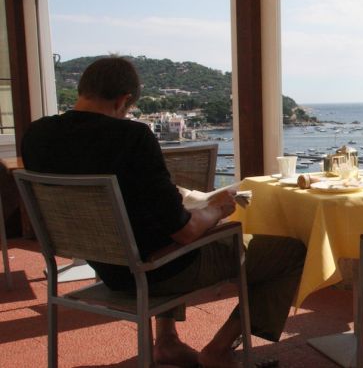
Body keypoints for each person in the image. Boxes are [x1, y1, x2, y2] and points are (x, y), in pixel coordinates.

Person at [21, 56, 306, 368]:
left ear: (83, 89)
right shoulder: (133, 138)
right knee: (290, 252)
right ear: (124, 100)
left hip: (104, 265)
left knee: (158, 227)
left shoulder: (37, 135)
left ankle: (167, 342)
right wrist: (218, 209)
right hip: (155, 271)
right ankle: (219, 350)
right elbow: (186, 232)